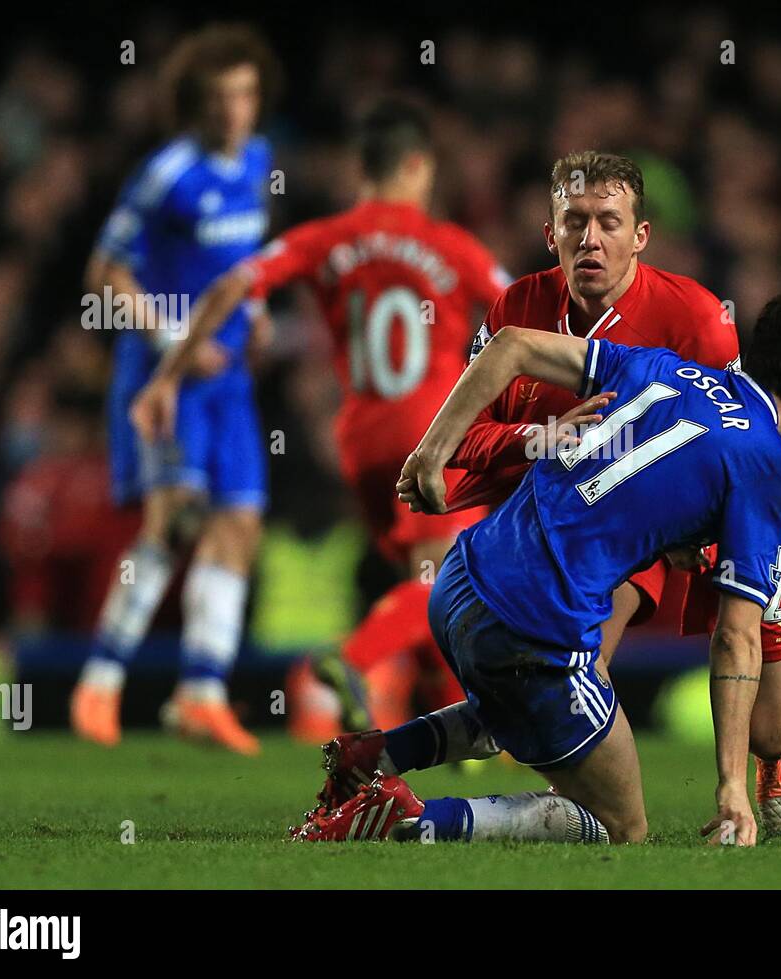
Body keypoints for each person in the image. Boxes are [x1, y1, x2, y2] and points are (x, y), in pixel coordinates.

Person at [292, 286, 781, 845]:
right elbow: (736, 639)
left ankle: (374, 755)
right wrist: (732, 787)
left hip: (460, 579)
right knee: (622, 824)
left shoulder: (665, 369)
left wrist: (431, 452)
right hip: (534, 630)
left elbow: (512, 344)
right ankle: (403, 818)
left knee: (518, 711)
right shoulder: (769, 471)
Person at [132, 98, 510, 741]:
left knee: (425, 590)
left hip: (360, 442)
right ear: (418, 167)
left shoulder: (327, 238)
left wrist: (167, 375)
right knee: (444, 581)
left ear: (361, 169)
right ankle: (347, 659)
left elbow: (233, 285)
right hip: (436, 433)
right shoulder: (452, 246)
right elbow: (520, 315)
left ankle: (475, 734)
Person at [70, 24, 281, 754]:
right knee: (175, 519)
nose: (236, 111)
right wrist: (171, 339)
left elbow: (240, 260)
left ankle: (201, 692)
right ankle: (99, 679)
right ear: (197, 103)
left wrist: (253, 316)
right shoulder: (167, 171)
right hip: (167, 377)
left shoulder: (258, 161)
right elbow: (105, 269)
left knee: (242, 523)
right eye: (221, 98)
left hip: (230, 381)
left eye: (246, 94)